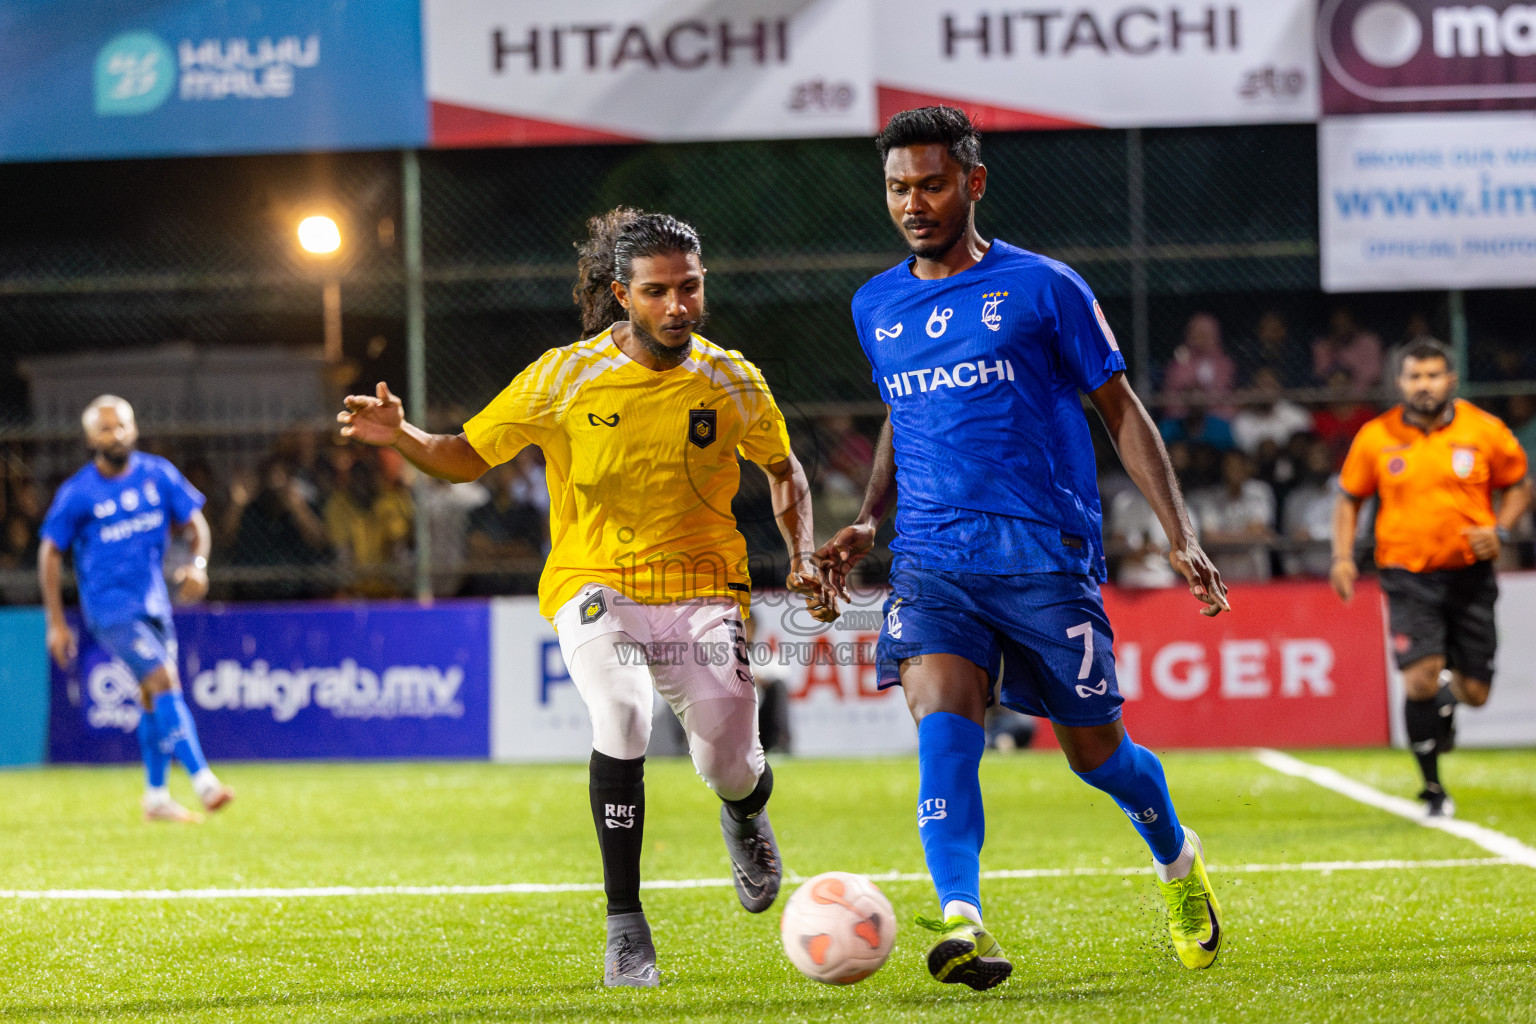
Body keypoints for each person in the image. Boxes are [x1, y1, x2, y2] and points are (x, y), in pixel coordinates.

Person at [337, 209, 834, 988]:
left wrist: (802, 555)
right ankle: (626, 926)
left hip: (703, 587)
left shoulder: (732, 376)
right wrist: (402, 436)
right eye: (659, 292)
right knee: (623, 713)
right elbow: (467, 455)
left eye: (691, 288)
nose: (679, 306)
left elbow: (784, 470)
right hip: (592, 580)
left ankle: (744, 814)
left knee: (731, 760)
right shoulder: (565, 376)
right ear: (621, 295)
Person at [816, 107, 1230, 991]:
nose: (913, 204)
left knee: (1098, 757)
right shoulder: (876, 303)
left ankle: (1174, 856)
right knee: (944, 722)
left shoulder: (1046, 287)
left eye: (931, 184)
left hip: (1045, 557)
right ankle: (960, 915)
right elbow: (905, 412)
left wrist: (1179, 535)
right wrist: (869, 518)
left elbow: (1120, 410)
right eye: (898, 188)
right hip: (933, 558)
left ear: (973, 182)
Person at [1331, 340, 1531, 818]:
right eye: (1415, 377)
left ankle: (1448, 699)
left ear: (1451, 380)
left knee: (1476, 694)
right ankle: (1433, 789)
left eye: (1433, 375)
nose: (1424, 385)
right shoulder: (1376, 436)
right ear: (1400, 383)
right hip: (1406, 574)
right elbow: (1348, 498)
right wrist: (1342, 556)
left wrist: (1500, 528)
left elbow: (1519, 485)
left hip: (1470, 576)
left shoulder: (1485, 430)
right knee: (1418, 678)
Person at [38, 396, 233, 823]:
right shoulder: (78, 493)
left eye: (122, 425)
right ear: (91, 437)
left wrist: (198, 565)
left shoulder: (157, 474)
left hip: (155, 603)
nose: (117, 434)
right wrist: (56, 621)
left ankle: (156, 797)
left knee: (151, 696)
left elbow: (195, 523)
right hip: (110, 611)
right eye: (106, 428)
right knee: (164, 678)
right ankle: (204, 782)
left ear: (134, 428)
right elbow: (50, 552)